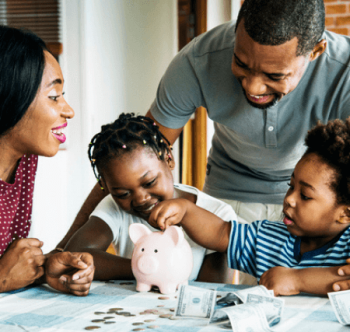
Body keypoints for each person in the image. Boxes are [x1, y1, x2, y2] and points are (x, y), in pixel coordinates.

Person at [58, 0, 350, 284]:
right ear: (237, 30)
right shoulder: (198, 60)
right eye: (241, 63)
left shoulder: (345, 71)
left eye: (274, 75)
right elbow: (133, 156)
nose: (252, 86)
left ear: (316, 51)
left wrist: (302, 280)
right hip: (229, 198)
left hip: (320, 205)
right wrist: (63, 250)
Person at [149, 118, 350, 296]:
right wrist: (186, 210)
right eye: (291, 186)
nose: (289, 199)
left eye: (305, 196)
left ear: (346, 213)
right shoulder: (269, 239)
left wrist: (296, 280)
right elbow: (220, 233)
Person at [63, 114, 237, 282]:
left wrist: (152, 269)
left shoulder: (218, 214)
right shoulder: (114, 206)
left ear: (168, 158)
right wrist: (143, 268)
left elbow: (212, 289)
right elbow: (73, 255)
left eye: (149, 182)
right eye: (123, 194)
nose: (140, 199)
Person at [0, 25, 94, 295]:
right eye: (54, 97)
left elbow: (9, 263)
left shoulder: (25, 160)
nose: (69, 110)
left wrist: (43, 269)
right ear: (10, 96)